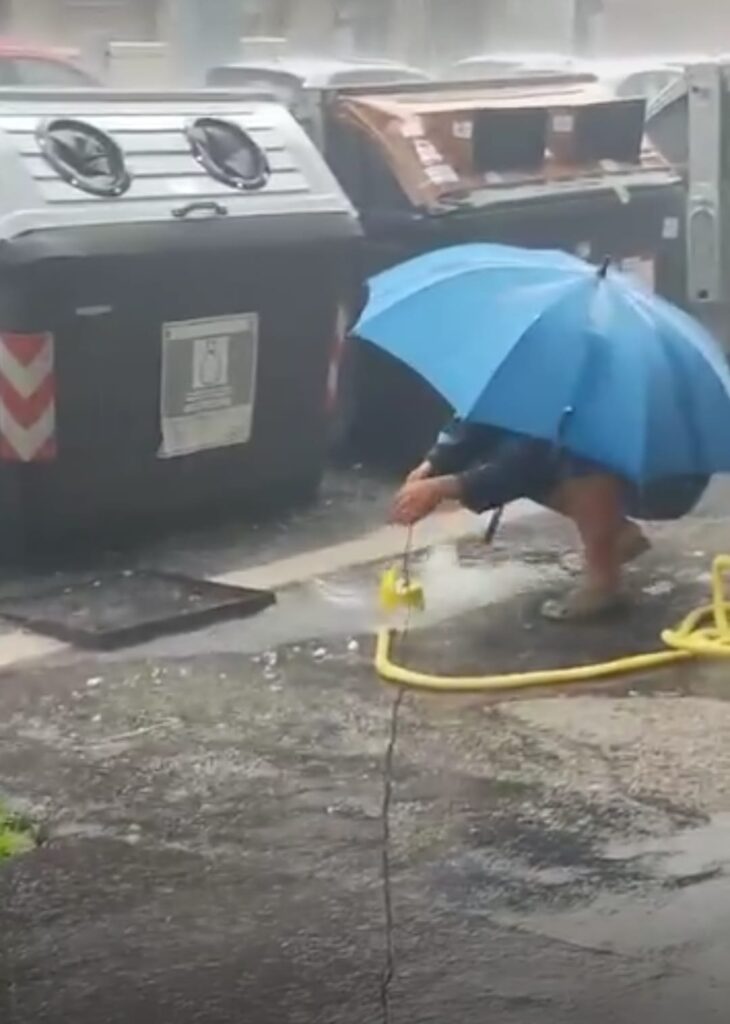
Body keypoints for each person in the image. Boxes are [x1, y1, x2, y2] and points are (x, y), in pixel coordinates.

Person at [391, 418, 708, 620]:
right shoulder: (534, 357)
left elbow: (528, 458)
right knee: (540, 452)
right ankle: (616, 532)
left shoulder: (584, 374)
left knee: (579, 453)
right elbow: (483, 415)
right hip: (600, 457)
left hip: (666, 478)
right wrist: (434, 464)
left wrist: (446, 486)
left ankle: (603, 582)